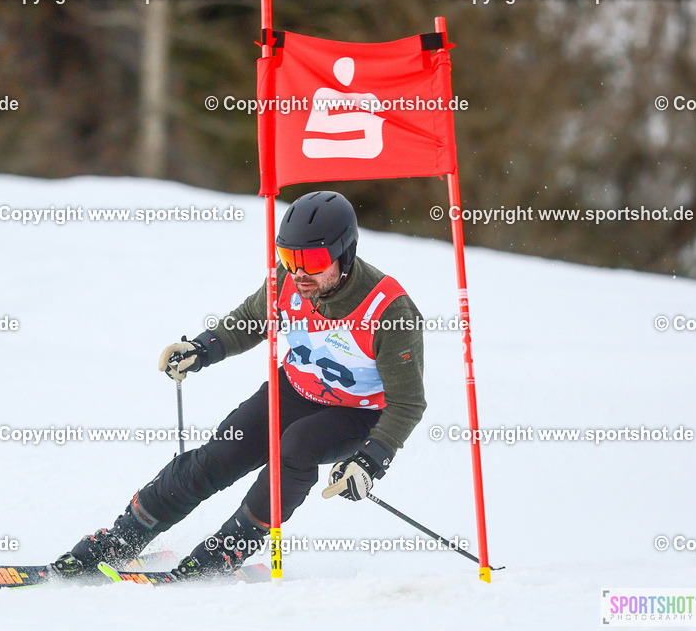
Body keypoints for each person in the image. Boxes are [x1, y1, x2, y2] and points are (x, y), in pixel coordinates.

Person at [52, 190, 426, 580]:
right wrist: (203, 348)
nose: (299, 272)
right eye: (289, 257)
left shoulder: (389, 310)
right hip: (296, 391)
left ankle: (227, 548)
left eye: (312, 261)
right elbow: (251, 319)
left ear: (344, 254)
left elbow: (407, 403)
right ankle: (122, 538)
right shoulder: (289, 282)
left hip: (356, 413)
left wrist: (372, 458)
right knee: (220, 455)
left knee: (296, 447)